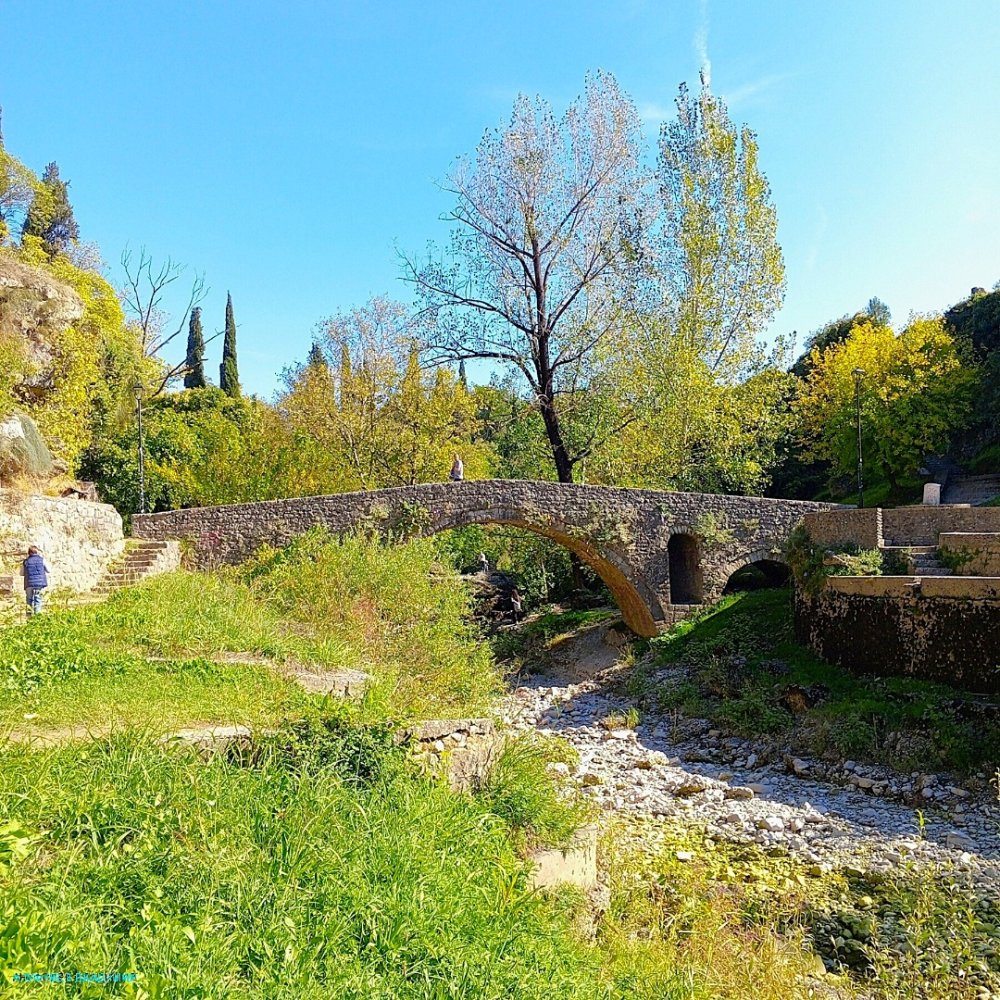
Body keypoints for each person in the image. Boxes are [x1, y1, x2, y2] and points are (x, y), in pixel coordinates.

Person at [22, 545, 49, 617]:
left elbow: (21, 573)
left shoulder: (26, 561)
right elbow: (48, 570)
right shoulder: (42, 560)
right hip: (39, 583)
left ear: (29, 553)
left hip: (29, 583)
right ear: (37, 552)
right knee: (38, 599)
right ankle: (37, 617)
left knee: (29, 600)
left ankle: (29, 617)